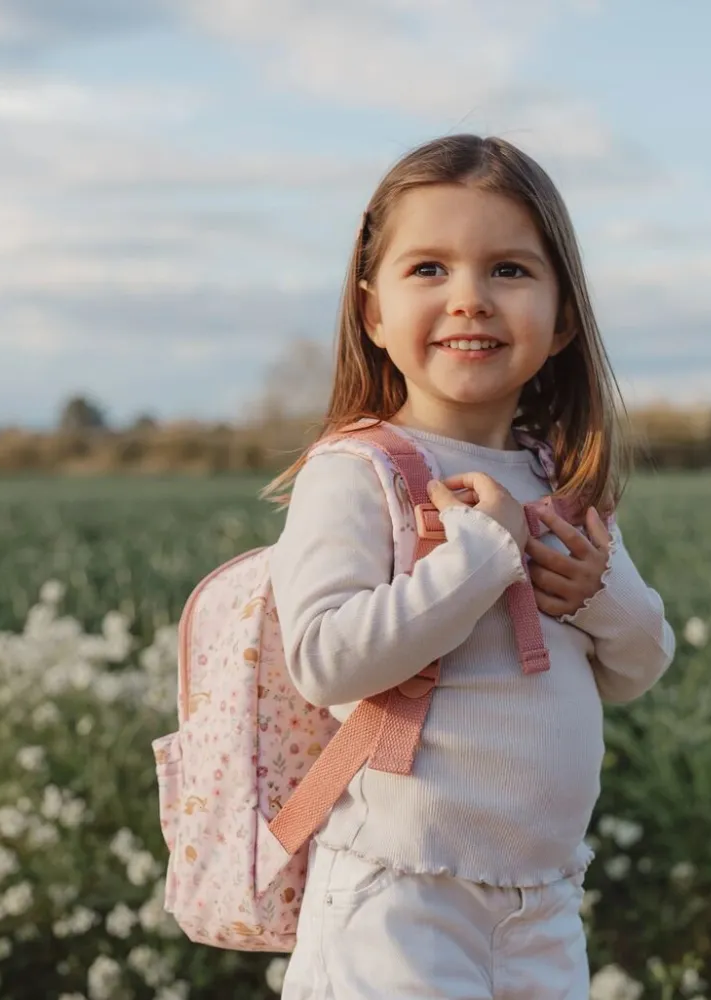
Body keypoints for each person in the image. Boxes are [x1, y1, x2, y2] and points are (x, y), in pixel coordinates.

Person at [266, 133, 676, 1000]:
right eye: (428, 270)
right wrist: (482, 557)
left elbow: (639, 664)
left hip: (542, 908)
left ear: (564, 317)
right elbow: (326, 659)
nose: (470, 300)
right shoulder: (358, 470)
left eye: (510, 271)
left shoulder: (559, 478)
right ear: (372, 311)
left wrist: (601, 595)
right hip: (398, 900)